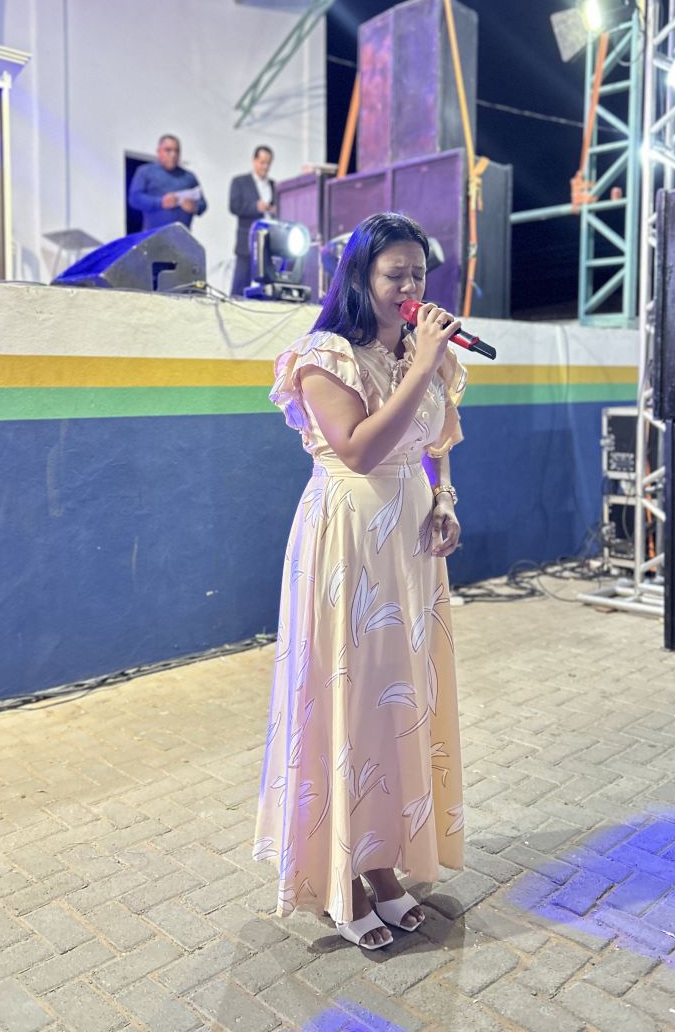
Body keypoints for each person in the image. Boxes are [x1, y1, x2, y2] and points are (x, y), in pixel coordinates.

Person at [254, 211, 465, 950]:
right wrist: (422, 364)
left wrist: (444, 498)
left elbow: (435, 441)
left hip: (409, 547)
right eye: (394, 274)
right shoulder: (324, 356)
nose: (410, 287)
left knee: (399, 704)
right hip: (349, 543)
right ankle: (342, 875)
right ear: (359, 277)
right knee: (351, 701)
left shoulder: (419, 352)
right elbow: (361, 451)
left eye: (418, 273)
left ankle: (382, 864)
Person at [128, 135, 207, 233]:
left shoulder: (189, 177)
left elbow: (203, 204)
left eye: (177, 151)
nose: (173, 155)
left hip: (182, 236)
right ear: (159, 151)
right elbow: (134, 198)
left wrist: (195, 207)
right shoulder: (145, 172)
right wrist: (160, 202)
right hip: (154, 236)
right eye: (168, 150)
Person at [228, 145, 276, 295]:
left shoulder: (274, 185)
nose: (265, 167)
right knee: (239, 284)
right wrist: (255, 207)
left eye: (268, 163)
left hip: (268, 244)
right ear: (254, 161)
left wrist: (275, 210)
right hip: (246, 243)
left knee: (269, 287)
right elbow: (234, 206)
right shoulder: (240, 182)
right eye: (262, 162)